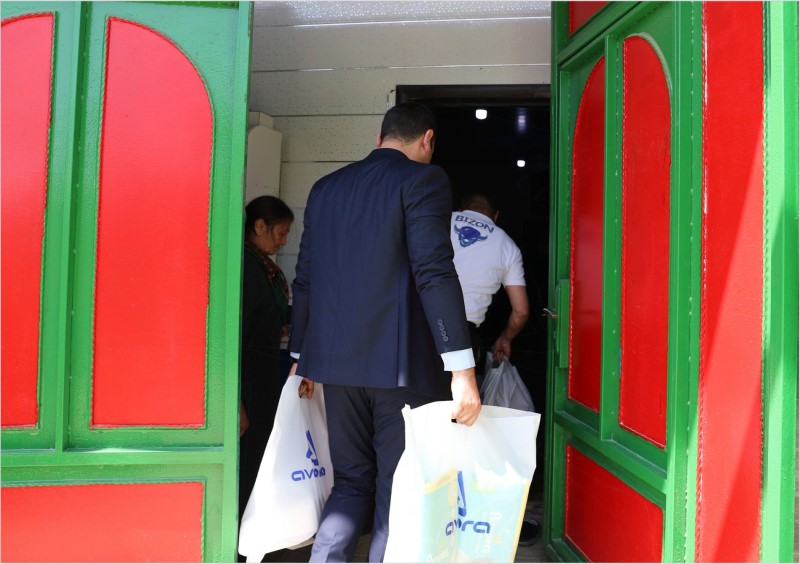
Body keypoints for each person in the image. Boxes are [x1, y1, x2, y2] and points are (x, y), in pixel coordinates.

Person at [288, 102, 482, 562]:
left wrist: (300, 357)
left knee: (351, 483)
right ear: (428, 140)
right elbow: (434, 272)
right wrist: (462, 368)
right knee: (400, 490)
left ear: (379, 138)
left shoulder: (325, 188)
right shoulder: (423, 180)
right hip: (401, 371)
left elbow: (305, 278)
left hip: (334, 369)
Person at [239, 195, 294, 521]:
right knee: (247, 465)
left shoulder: (262, 266)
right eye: (281, 232)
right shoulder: (247, 268)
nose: (283, 241)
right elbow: (235, 336)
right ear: (259, 226)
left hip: (262, 380)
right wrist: (236, 403)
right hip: (247, 384)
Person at [451, 192, 529, 381]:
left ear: (461, 210)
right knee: (458, 394)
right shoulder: (508, 246)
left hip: (418, 318)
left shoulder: (442, 219)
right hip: (462, 334)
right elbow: (521, 311)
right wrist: (506, 337)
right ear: (496, 216)